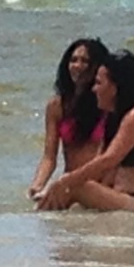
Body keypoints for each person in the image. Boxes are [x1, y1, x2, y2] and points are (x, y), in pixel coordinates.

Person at [37, 50, 134, 212]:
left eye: (98, 83)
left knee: (76, 187)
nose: (93, 89)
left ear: (114, 88)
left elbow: (108, 160)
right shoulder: (113, 119)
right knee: (71, 196)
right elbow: (101, 169)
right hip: (124, 198)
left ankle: (38, 219)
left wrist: (65, 181)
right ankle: (40, 219)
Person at [27, 38, 110, 201]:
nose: (78, 66)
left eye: (85, 61)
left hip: (101, 186)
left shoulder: (107, 106)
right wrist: (38, 184)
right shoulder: (57, 106)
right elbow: (49, 157)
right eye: (73, 60)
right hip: (70, 184)